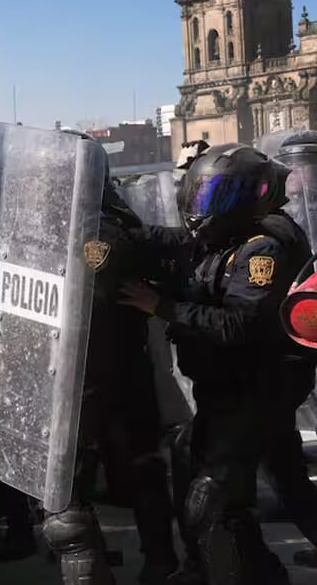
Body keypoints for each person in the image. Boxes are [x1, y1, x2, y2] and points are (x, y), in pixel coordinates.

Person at [119, 144, 309, 585]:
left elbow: (240, 324)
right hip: (226, 392)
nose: (203, 210)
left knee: (214, 502)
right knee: (194, 465)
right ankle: (211, 567)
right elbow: (172, 241)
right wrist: (119, 233)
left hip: (254, 392)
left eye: (216, 199)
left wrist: (161, 306)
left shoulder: (264, 249)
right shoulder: (225, 238)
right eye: (201, 197)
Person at [47, 180, 178, 585]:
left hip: (106, 372)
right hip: (81, 373)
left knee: (111, 472)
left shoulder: (101, 232)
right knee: (83, 477)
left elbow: (93, 293)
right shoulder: (65, 225)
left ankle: (154, 561)